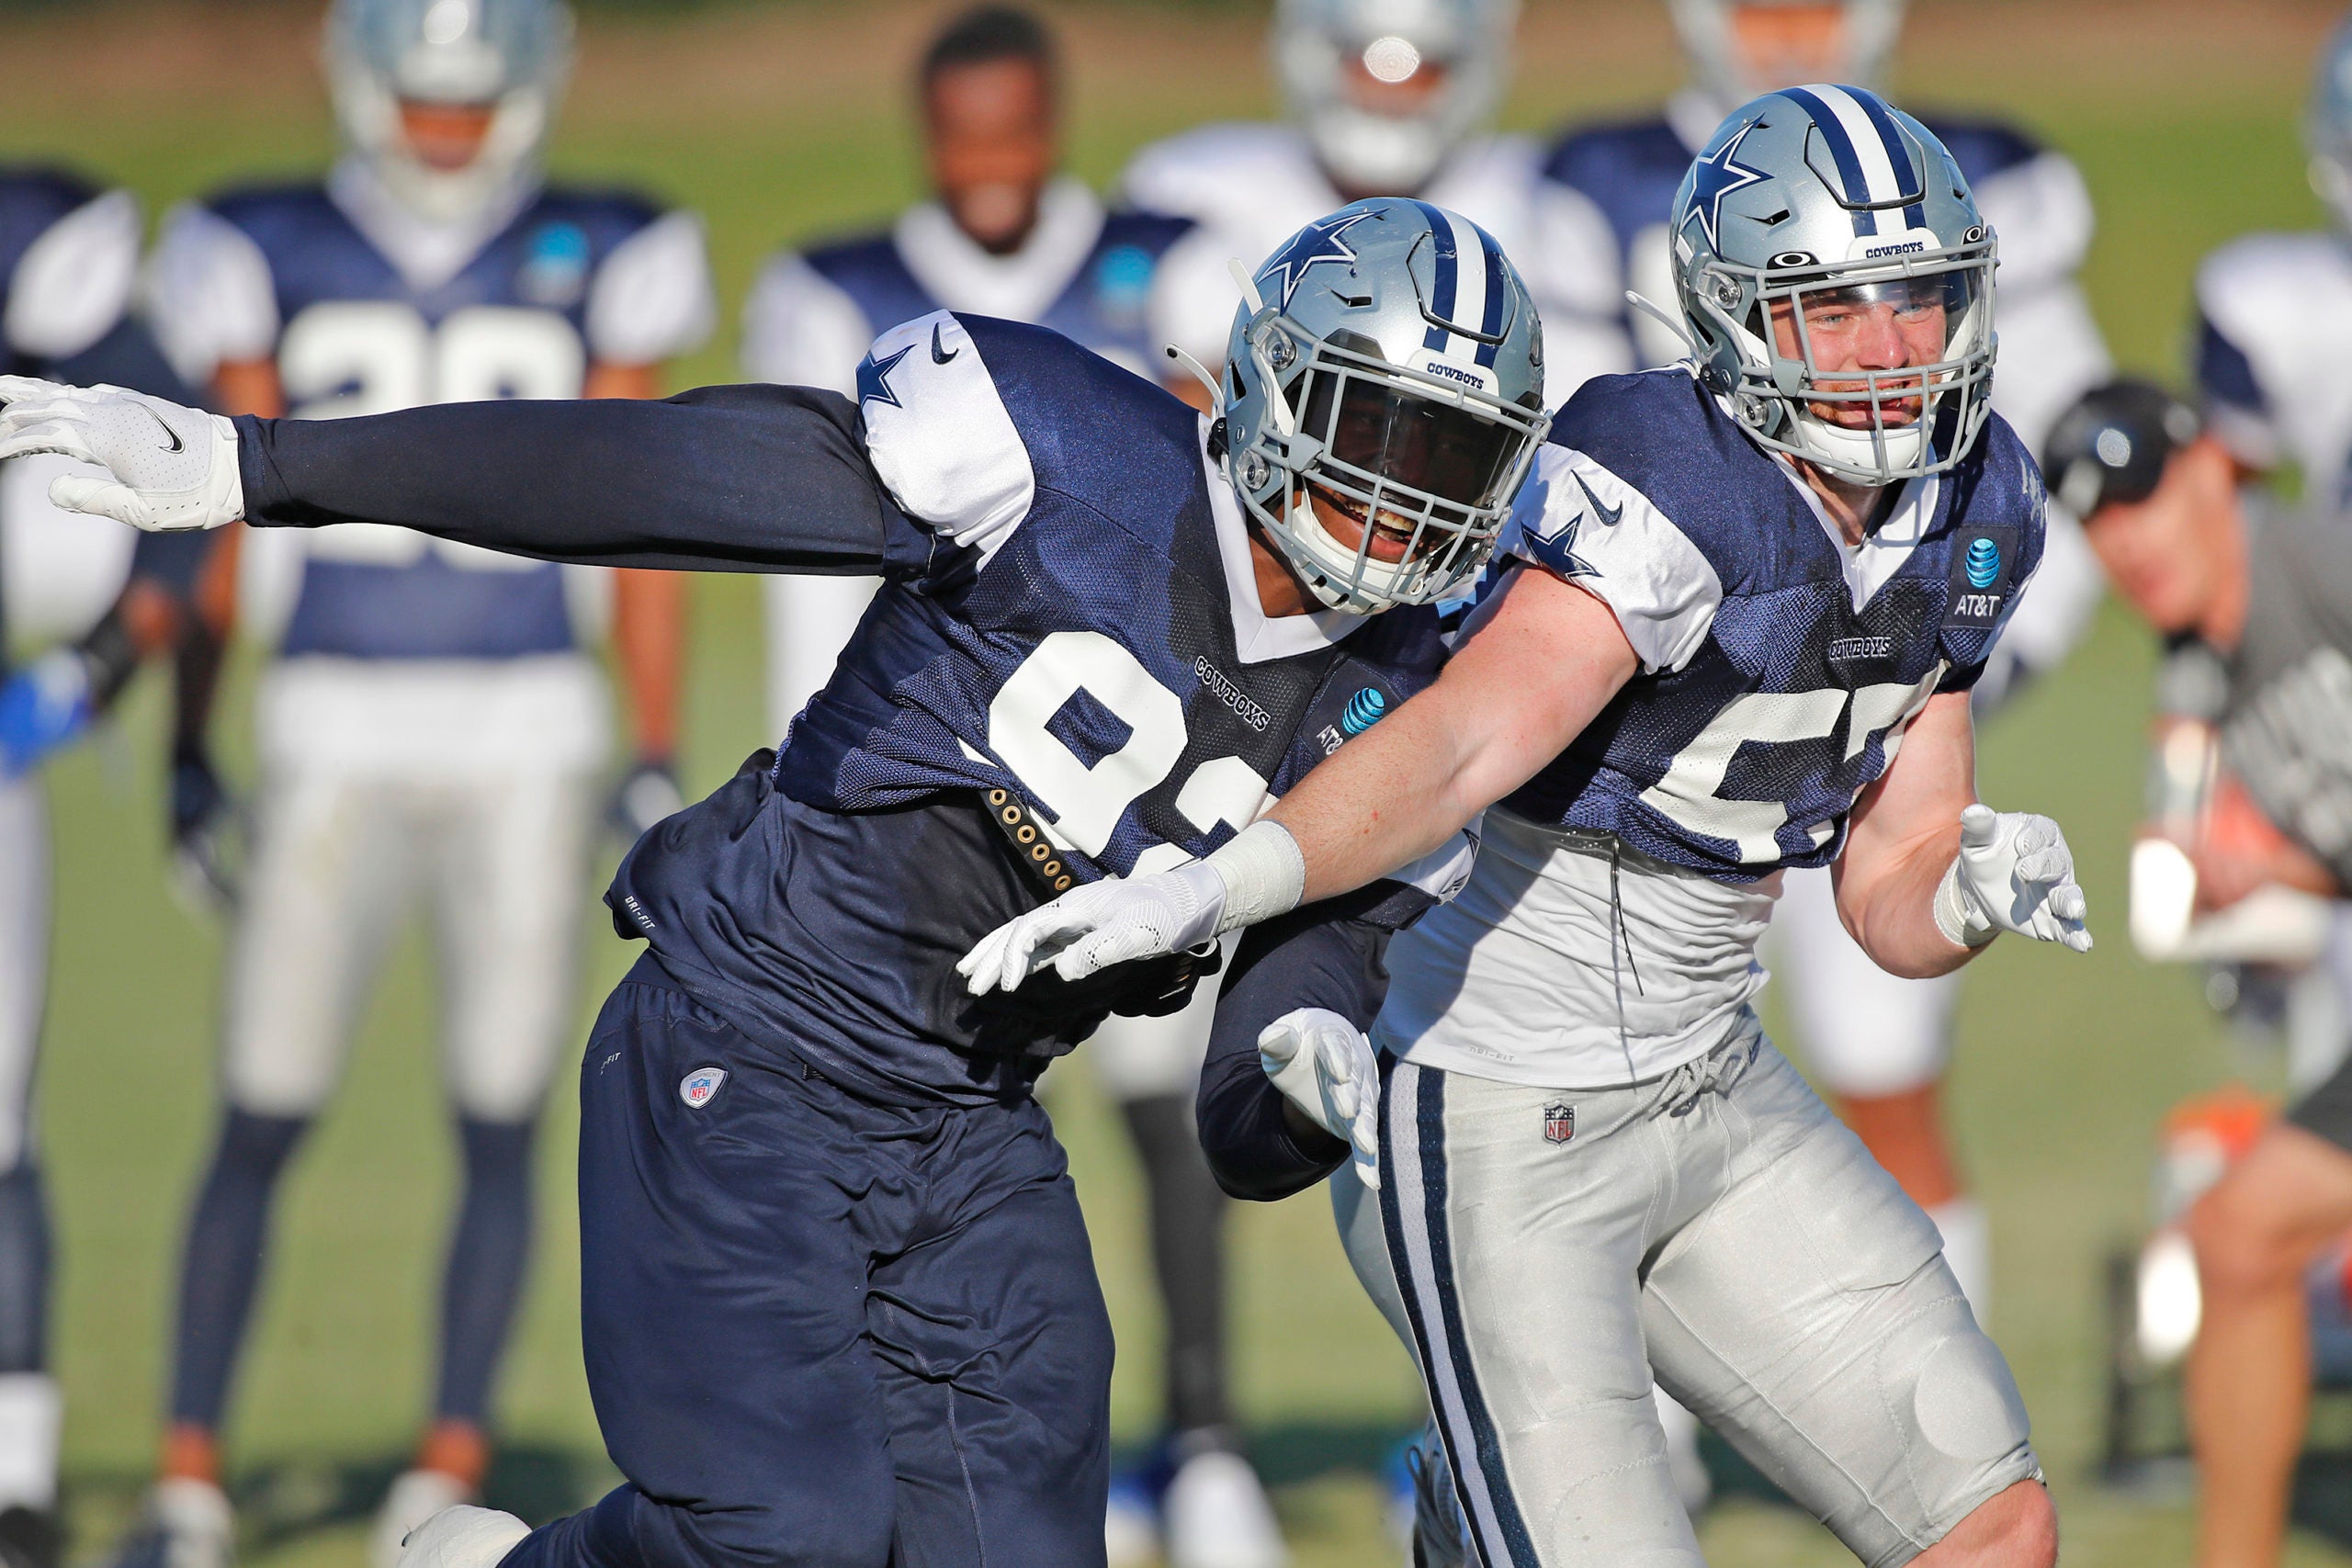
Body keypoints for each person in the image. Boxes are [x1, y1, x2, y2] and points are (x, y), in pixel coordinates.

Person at [0, 197, 1548, 1568]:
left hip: (971, 1125)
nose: (1410, 497)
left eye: (1459, 459)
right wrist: (265, 467)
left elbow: (1247, 1113)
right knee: (790, 1531)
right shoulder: (1066, 453)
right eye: (1384, 431)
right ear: (1278, 386)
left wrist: (1305, 1071)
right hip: (749, 1033)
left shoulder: (1417, 698)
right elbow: (664, 471)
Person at [966, 86, 2087, 1568]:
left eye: (1919, 300)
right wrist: (1216, 889)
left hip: (1715, 1083)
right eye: (1839, 309)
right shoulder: (1669, 476)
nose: (1892, 350)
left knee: (1989, 1521)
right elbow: (1460, 743)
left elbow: (1889, 883)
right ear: (1742, 316)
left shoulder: (1978, 498)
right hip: (1501, 1115)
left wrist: (1969, 890)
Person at [113, 2, 713, 1564]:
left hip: (527, 715)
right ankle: (187, 1469)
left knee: (504, 1105)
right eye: (424, 101)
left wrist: (650, 738)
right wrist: (193, 732)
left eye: (473, 102)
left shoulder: (608, 242)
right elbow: (221, 496)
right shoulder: (260, 239)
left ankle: (440, 1460)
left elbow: (648, 506)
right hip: (332, 713)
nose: (448, 129)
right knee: (266, 1094)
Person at [741, 17, 1271, 1562]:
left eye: (1014, 131)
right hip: (927, 757)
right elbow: (799, 552)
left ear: (1053, 122)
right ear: (926, 133)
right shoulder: (832, 285)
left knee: (1162, 1102)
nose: (991, 166)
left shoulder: (1165, 266)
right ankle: (928, 1445)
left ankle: (1210, 1437)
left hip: (1129, 762)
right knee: (916, 1118)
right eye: (963, 135)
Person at [1537, 0, 2109, 1360]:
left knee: (1888, 1074)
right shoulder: (1592, 178)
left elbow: (2057, 443)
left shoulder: (1965, 174)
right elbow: (1560, 464)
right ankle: (1626, 1429)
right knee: (1595, 1110)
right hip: (1654, 738)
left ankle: (1930, 1391)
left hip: (1860, 721)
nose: (1786, 29)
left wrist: (1958, 665)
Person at [2041, 378, 2352, 1568]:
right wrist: (2263, 881)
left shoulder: (2315, 565)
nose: (2128, 540)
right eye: (2098, 523)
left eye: (2145, 496)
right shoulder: (2195, 674)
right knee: (2235, 1237)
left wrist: (2278, 860)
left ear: (2215, 468)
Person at [0, 168, 223, 1568]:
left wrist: (78, 686)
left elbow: (184, 477)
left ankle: (14, 1486)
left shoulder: (37, 236)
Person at [1120, 0, 1603, 407]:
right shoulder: (1194, 189)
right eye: (1364, 58)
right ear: (1308, 53)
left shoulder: (1542, 202)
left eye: (1421, 65)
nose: (1388, 87)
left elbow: (1572, 400)